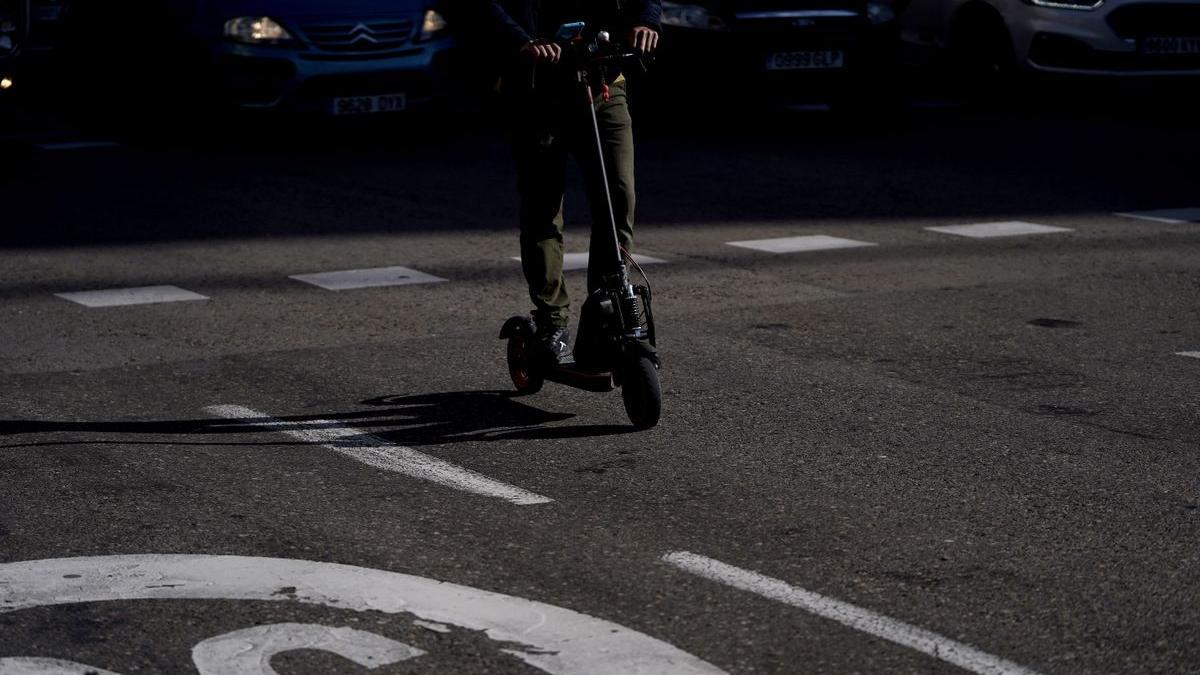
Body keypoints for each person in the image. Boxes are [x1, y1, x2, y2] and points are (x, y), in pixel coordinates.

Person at [455, 0, 661, 362]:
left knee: (619, 197)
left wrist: (646, 21)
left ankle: (604, 306)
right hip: (539, 91)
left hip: (603, 85)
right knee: (543, 207)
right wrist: (522, 40)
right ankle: (552, 319)